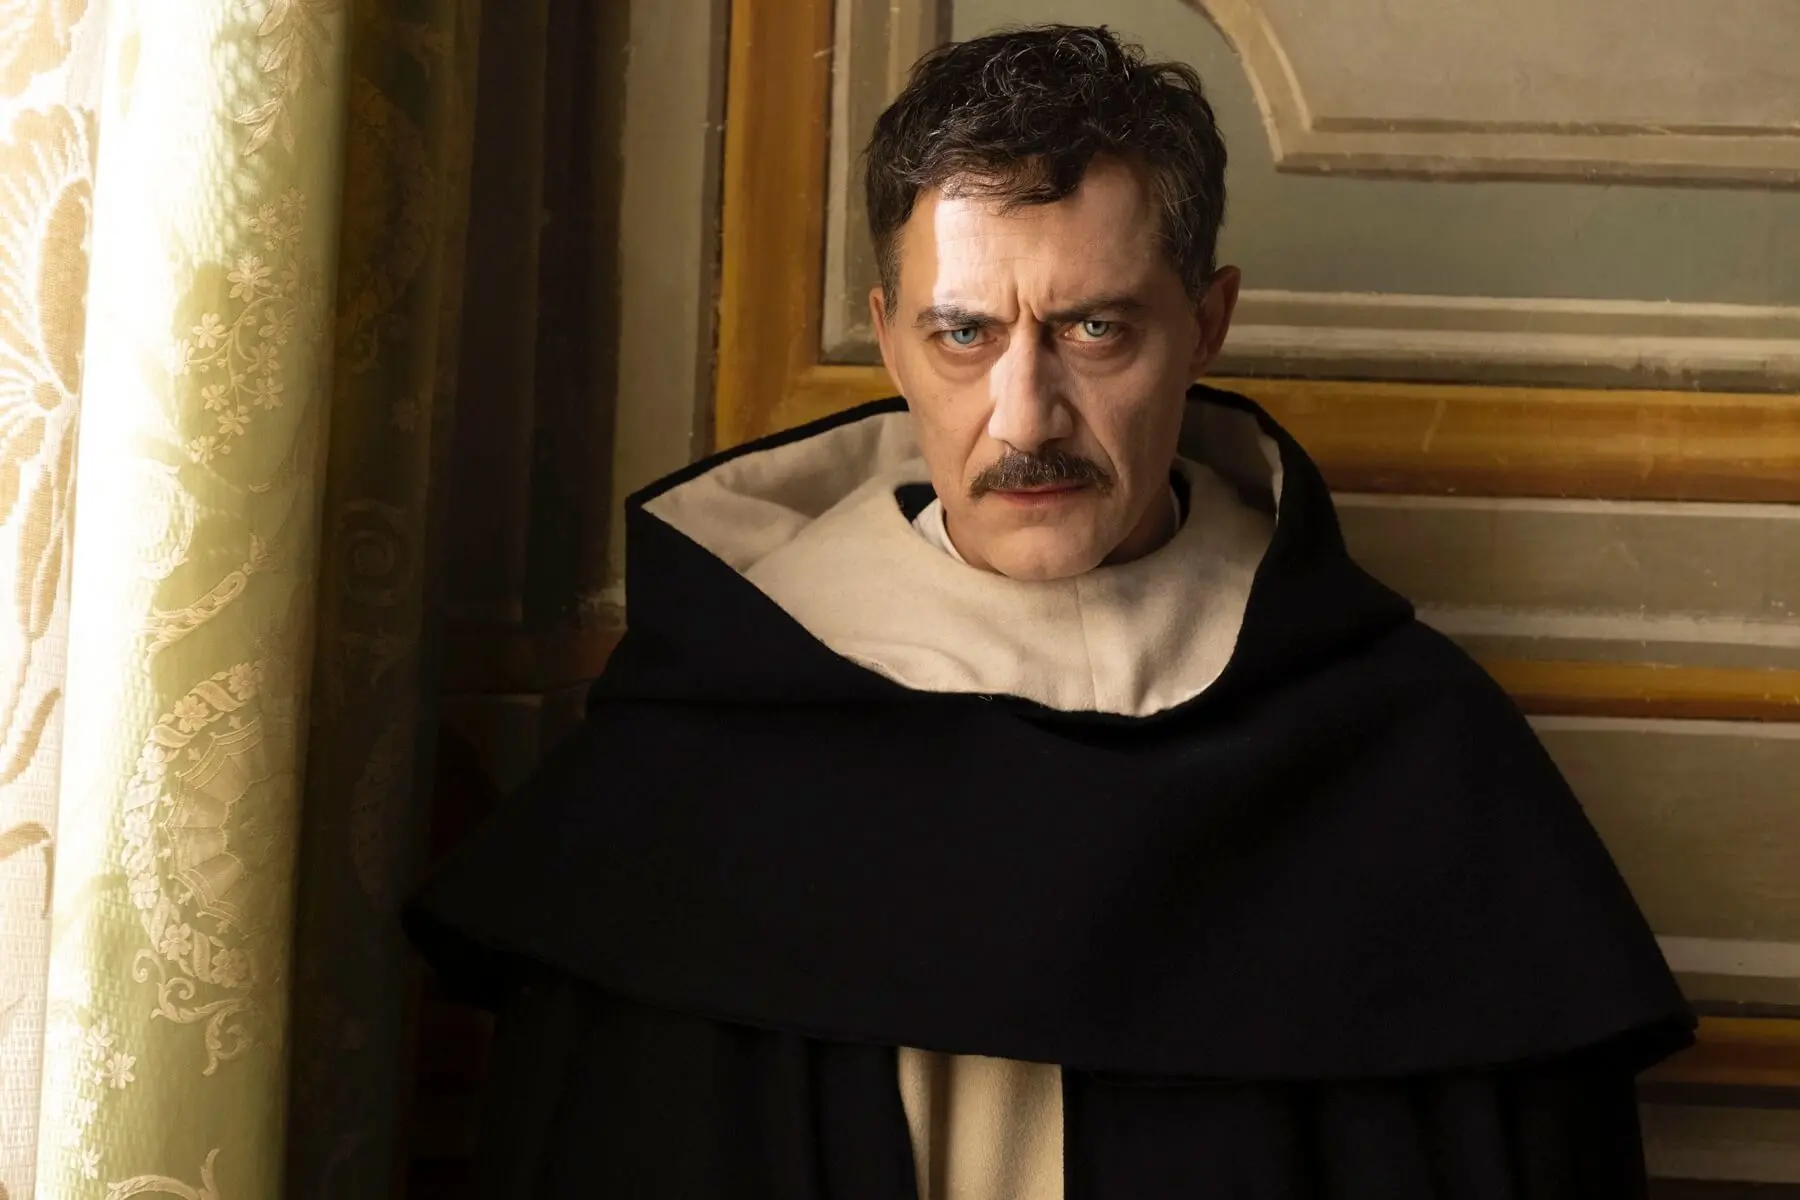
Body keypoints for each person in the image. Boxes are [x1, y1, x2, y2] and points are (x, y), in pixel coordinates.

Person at [407, 23, 1694, 1198]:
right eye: (963, 336)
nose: (1025, 418)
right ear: (889, 340)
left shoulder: (1405, 751)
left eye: (1093, 329)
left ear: (1208, 323)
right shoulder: (693, 752)